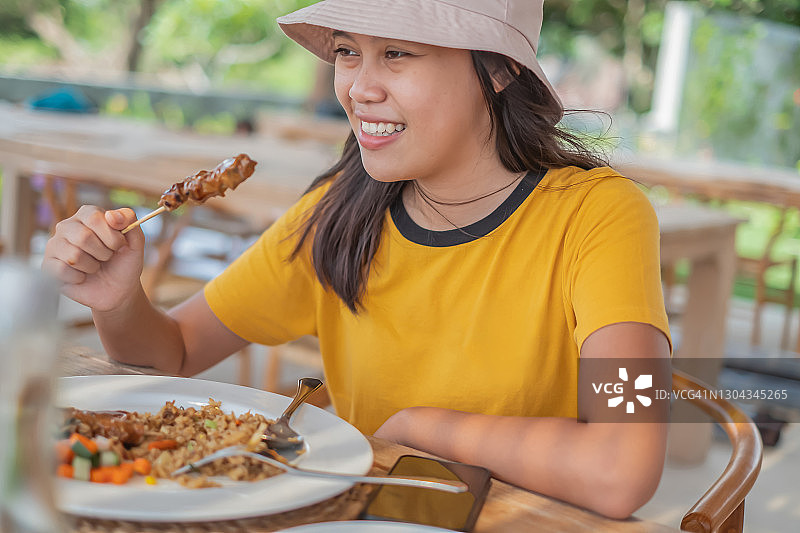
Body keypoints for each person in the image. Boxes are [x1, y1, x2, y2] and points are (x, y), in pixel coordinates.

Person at [43, 0, 671, 519]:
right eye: (348, 51)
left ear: (499, 69)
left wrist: (421, 427)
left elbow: (622, 467)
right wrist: (121, 302)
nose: (358, 89)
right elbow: (172, 355)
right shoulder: (336, 212)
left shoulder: (598, 217)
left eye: (397, 53)